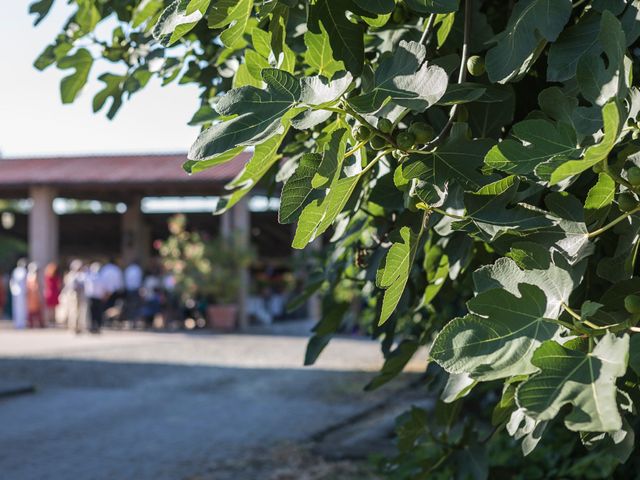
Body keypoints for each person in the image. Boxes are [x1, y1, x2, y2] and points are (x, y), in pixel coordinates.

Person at [61, 259, 88, 334]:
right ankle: (73, 327)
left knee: (80, 311)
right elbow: (71, 287)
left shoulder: (80, 275)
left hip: (79, 295)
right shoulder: (71, 275)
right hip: (73, 296)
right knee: (73, 312)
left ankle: (79, 326)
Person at [100, 258, 124, 326]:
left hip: (106, 291)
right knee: (113, 307)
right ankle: (110, 320)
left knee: (106, 306)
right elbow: (119, 282)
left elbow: (101, 280)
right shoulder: (116, 269)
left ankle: (106, 320)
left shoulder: (104, 269)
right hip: (114, 291)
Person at [84, 262, 105, 333]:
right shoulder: (101, 277)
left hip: (92, 297)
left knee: (92, 313)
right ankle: (97, 326)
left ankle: (92, 327)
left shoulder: (89, 277)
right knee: (98, 313)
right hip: (98, 297)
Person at [9, 258, 28, 329]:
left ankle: (21, 323)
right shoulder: (20, 271)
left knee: (21, 309)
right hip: (18, 292)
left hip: (20, 292)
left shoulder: (19, 271)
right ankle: (18, 323)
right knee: (18, 308)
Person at [26, 263, 45, 328]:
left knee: (36, 311)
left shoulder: (30, 276)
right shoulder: (32, 276)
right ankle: (34, 324)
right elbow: (35, 287)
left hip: (33, 296)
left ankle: (37, 323)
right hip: (33, 296)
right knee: (34, 311)